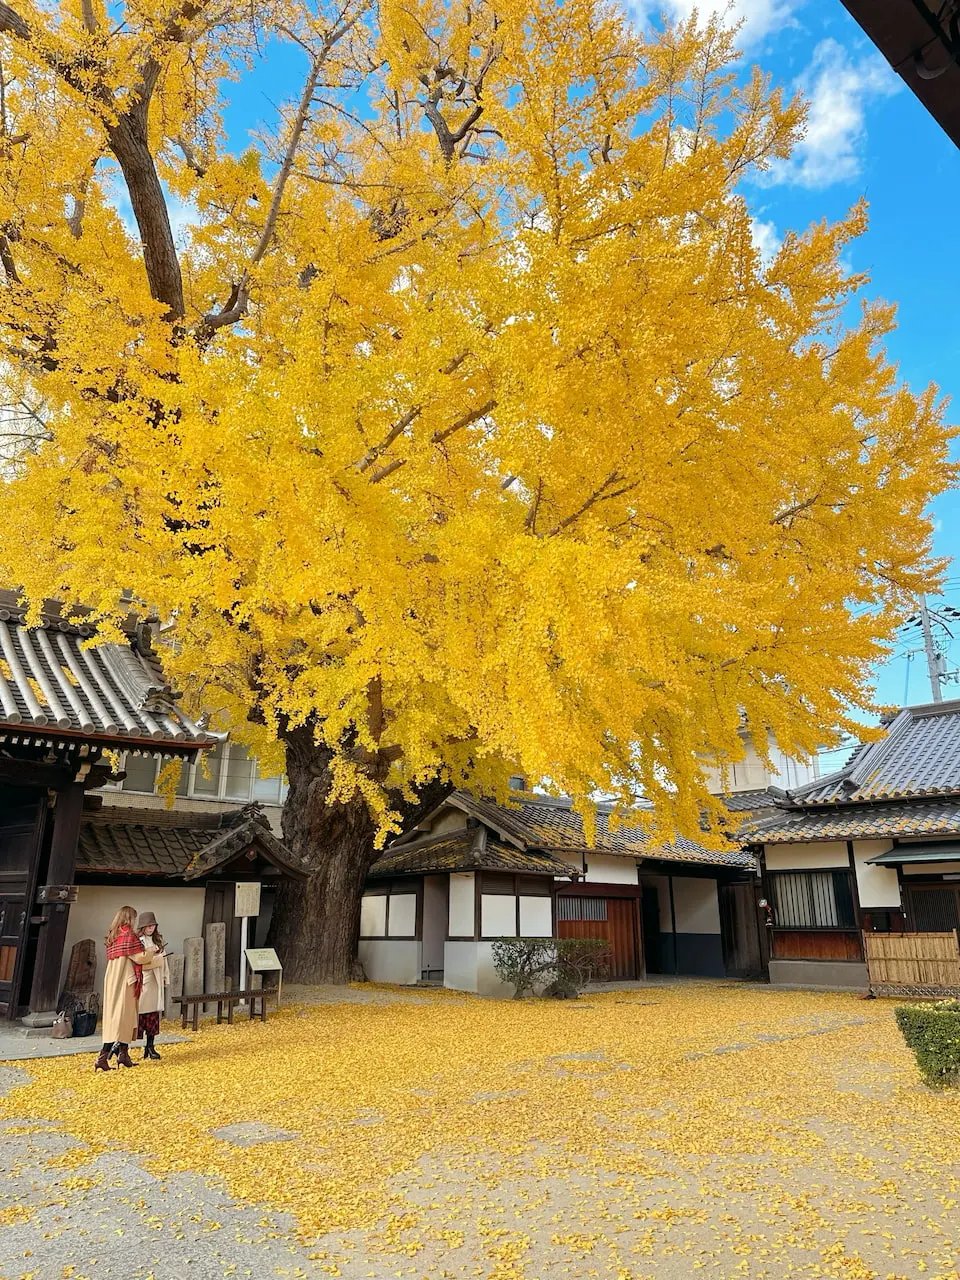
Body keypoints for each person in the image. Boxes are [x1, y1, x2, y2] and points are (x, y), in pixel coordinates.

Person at [95, 906, 162, 1072]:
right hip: (126, 981)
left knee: (119, 1018)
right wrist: (152, 951)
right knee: (122, 1018)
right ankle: (103, 1057)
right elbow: (139, 958)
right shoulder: (128, 935)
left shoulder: (114, 935)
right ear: (129, 918)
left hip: (113, 980)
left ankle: (123, 1056)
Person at [135, 911, 169, 1060]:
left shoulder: (157, 941)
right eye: (148, 925)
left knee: (153, 1015)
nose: (151, 928)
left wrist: (165, 977)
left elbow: (164, 961)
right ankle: (123, 1047)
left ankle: (150, 1046)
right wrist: (157, 958)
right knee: (139, 1014)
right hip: (145, 980)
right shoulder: (138, 941)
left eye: (153, 925)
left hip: (156, 980)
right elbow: (139, 962)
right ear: (142, 927)